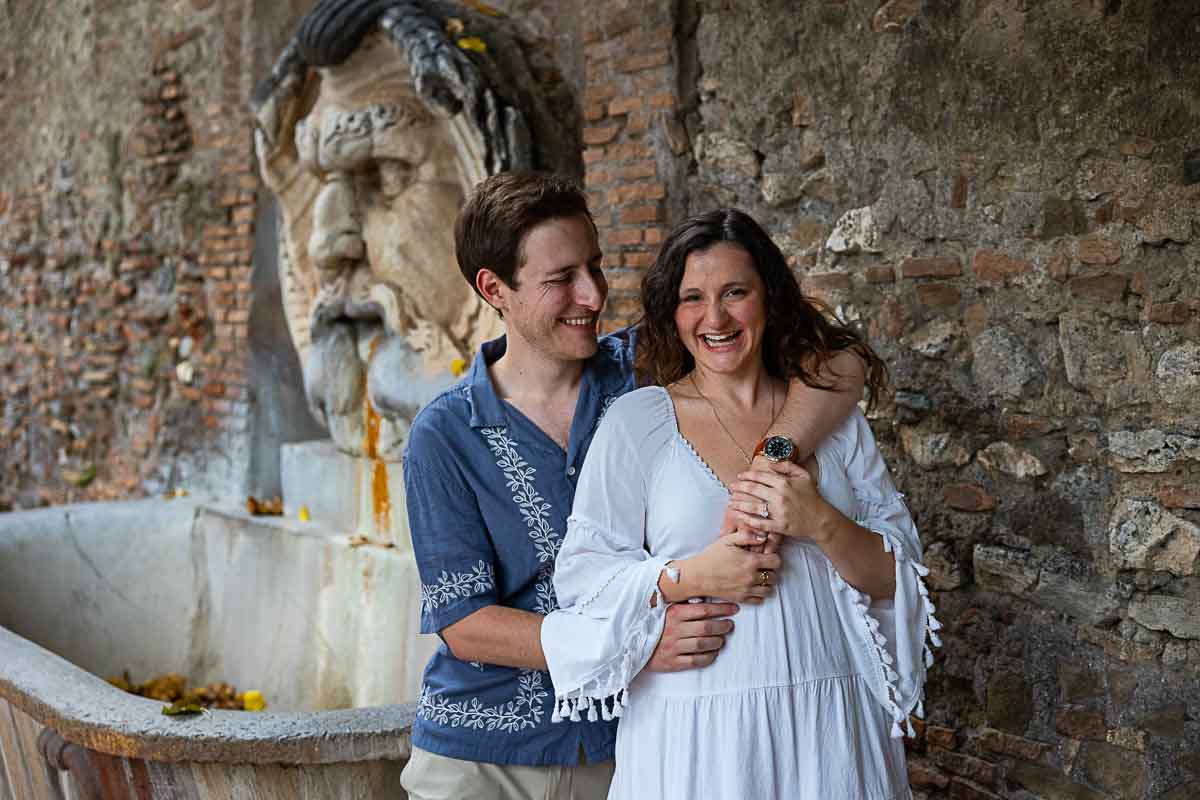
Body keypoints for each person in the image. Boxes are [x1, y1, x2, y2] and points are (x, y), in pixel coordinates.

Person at [400, 175, 868, 800]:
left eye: (594, 266)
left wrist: (771, 462)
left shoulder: (646, 368)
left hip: (626, 751)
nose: (592, 295)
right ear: (494, 288)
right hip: (486, 758)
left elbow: (840, 361)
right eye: (561, 278)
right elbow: (465, 623)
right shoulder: (445, 432)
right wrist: (632, 643)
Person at [544, 209, 941, 799]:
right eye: (692, 299)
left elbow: (898, 578)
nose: (715, 318)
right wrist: (688, 575)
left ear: (769, 298)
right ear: (671, 314)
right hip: (697, 734)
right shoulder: (638, 424)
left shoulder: (832, 420)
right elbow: (583, 580)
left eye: (735, 293)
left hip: (831, 725)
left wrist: (821, 524)